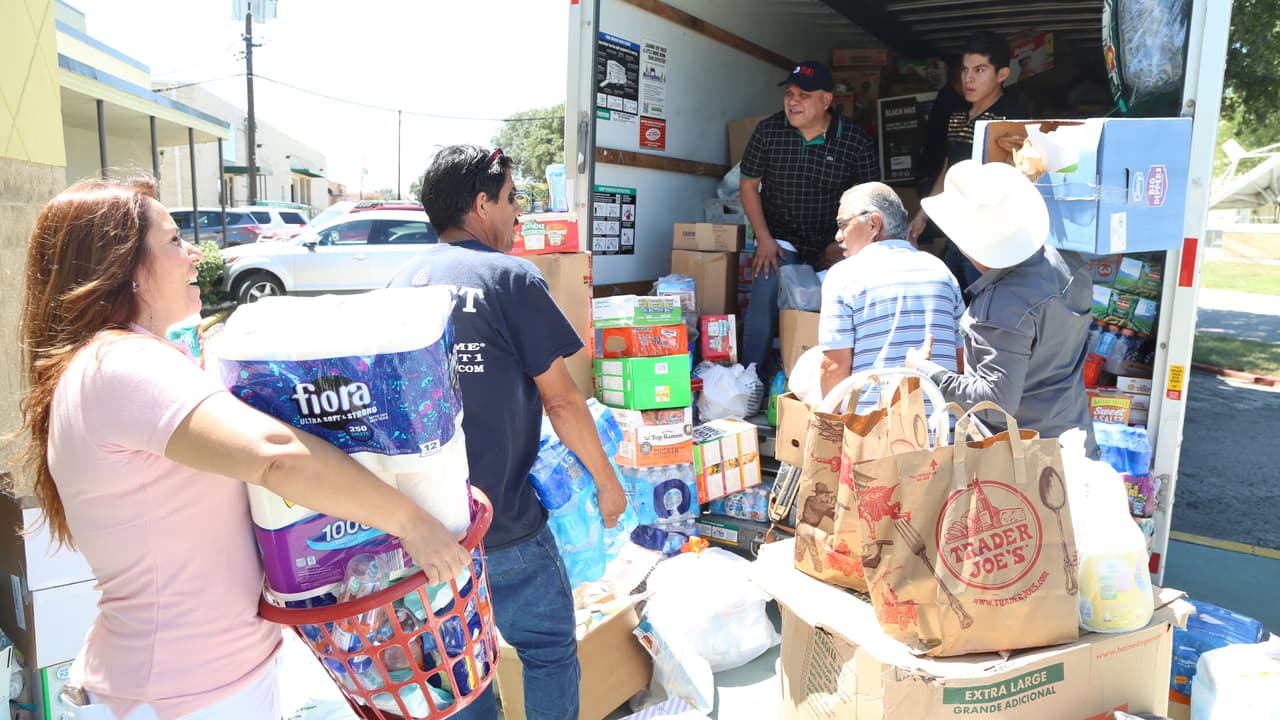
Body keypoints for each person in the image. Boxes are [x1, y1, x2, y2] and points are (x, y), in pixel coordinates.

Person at [13, 176, 471, 719]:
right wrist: (413, 523)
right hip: (179, 694)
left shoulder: (110, 364)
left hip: (191, 682)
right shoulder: (121, 365)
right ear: (126, 271)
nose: (195, 255)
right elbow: (274, 453)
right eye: (174, 241)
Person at [388, 145, 627, 720]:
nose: (518, 213)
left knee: (461, 663)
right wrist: (607, 481)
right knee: (547, 649)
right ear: (480, 203)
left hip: (423, 531)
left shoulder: (398, 282)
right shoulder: (510, 277)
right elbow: (564, 401)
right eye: (512, 198)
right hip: (504, 523)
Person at [905, 160, 1097, 455]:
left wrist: (925, 370)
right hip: (1072, 441)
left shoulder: (1002, 306)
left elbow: (994, 403)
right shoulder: (1066, 261)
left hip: (1022, 466)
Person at [739, 60, 880, 370]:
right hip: (781, 239)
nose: (793, 101)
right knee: (763, 296)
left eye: (804, 95)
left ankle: (837, 378)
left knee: (843, 307)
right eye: (790, 93)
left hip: (836, 242)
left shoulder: (854, 140)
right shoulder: (769, 131)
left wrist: (843, 245)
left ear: (826, 100)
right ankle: (750, 376)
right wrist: (763, 238)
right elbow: (748, 185)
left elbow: (871, 200)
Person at [818, 183, 964, 408]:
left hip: (872, 433)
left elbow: (834, 367)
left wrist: (829, 430)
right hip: (942, 432)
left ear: (874, 224)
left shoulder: (844, 275)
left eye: (842, 224)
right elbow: (960, 359)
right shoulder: (941, 271)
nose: (838, 236)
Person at [907, 32, 1028, 291]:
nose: (968, 78)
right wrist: (922, 216)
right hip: (957, 231)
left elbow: (1020, 179)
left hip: (989, 240)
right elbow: (948, 169)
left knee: (983, 310)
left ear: (1002, 74)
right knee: (950, 302)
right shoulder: (958, 116)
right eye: (965, 70)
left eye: (980, 70)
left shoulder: (1011, 119)